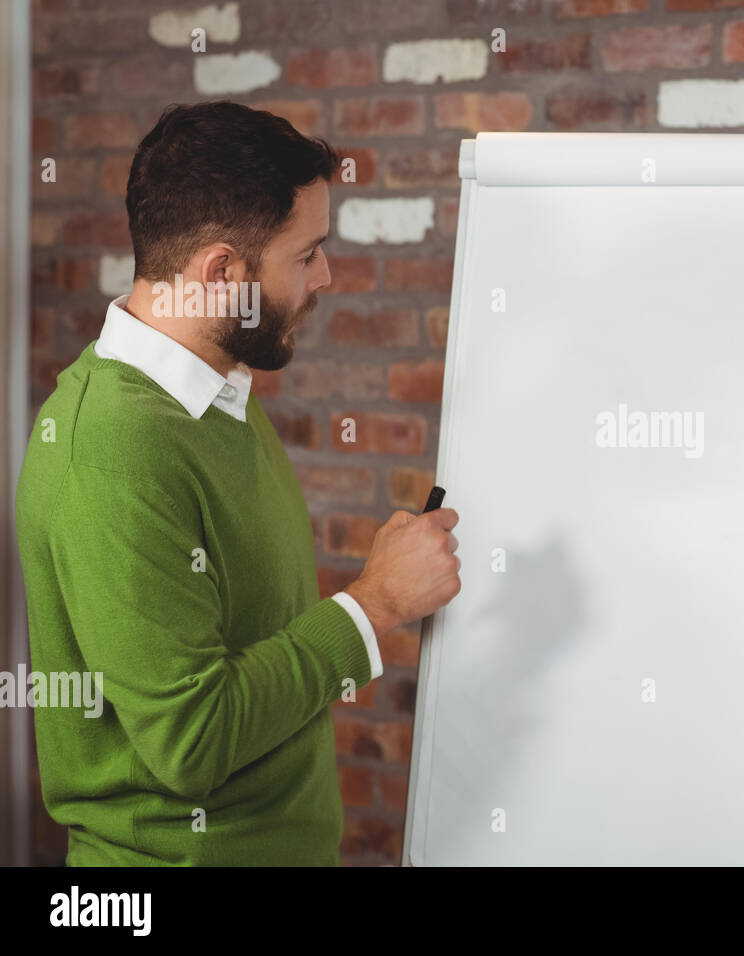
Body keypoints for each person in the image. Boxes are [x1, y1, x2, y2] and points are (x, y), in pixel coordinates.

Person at [15, 101, 460, 865]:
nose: (327, 276)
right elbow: (193, 738)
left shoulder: (219, 394)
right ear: (220, 272)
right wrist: (375, 603)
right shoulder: (114, 449)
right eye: (307, 253)